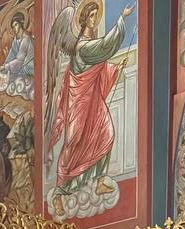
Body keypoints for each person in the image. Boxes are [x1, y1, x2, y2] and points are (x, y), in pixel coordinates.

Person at [46, 0, 136, 216]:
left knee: (106, 132)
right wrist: (122, 18)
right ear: (84, 19)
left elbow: (99, 66)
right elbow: (104, 47)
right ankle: (59, 191)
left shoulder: (89, 46)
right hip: (78, 101)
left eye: (97, 15)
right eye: (92, 16)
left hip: (93, 100)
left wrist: (115, 68)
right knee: (74, 141)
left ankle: (98, 181)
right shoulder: (82, 46)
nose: (95, 20)